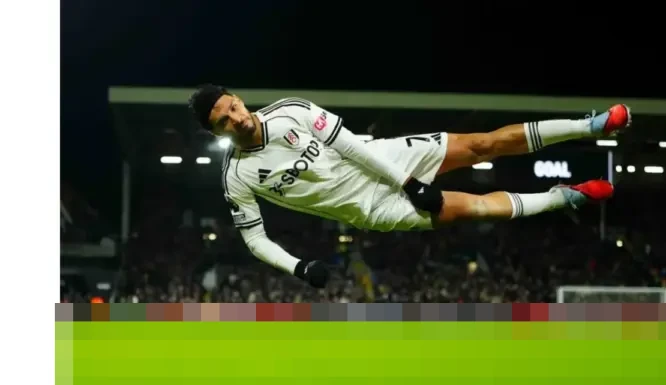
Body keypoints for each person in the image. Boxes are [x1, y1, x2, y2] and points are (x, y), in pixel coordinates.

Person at [188, 84, 630, 288]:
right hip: (370, 208)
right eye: (223, 121)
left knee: (482, 144)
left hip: (385, 159)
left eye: (232, 106)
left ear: (238, 99)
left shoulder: (292, 112)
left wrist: (410, 181)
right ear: (218, 133)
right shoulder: (238, 175)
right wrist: (298, 267)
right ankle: (564, 196)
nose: (235, 118)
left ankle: (589, 125)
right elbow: (255, 239)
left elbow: (349, 145)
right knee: (474, 209)